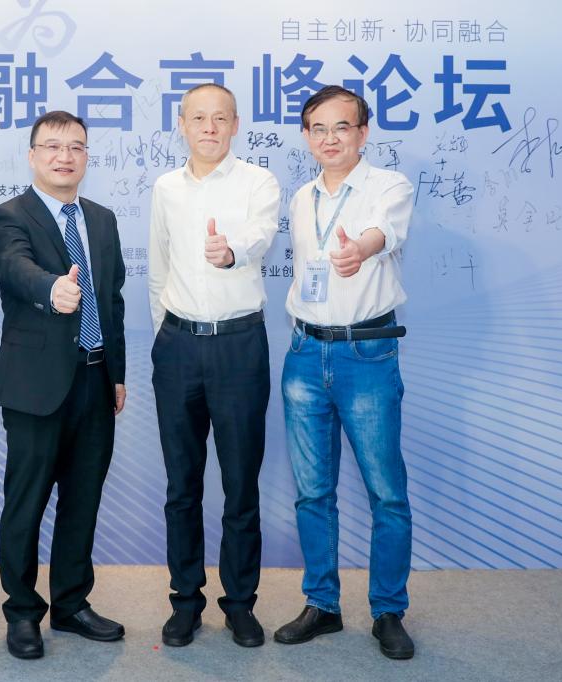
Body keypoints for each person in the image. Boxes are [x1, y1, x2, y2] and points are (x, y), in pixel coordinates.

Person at [273, 85, 416, 660]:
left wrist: (361, 247)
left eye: (342, 127)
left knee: (387, 493)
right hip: (305, 354)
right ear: (306, 137)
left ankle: (388, 610)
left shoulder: (389, 186)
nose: (329, 139)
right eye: (318, 129)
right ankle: (322, 604)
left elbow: (384, 233)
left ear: (363, 132)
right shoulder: (301, 197)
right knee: (313, 492)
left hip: (367, 355)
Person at [0, 111, 127, 659]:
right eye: (52, 146)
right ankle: (22, 612)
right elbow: (14, 267)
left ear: (86, 156)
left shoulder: (103, 219)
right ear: (32, 155)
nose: (64, 156)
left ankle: (71, 603)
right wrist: (52, 289)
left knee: (82, 500)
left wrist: (117, 373)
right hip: (35, 386)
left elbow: (111, 300)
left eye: (76, 147)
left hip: (95, 377)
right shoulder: (8, 216)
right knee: (26, 501)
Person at [147, 83, 280, 648]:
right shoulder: (166, 188)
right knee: (182, 485)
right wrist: (165, 334)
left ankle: (240, 604)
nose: (209, 128)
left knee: (240, 485)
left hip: (239, 347)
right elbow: (158, 267)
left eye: (220, 118)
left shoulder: (258, 182)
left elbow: (260, 236)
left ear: (235, 124)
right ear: (182, 124)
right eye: (198, 118)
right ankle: (185, 602)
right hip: (178, 346)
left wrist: (231, 252)